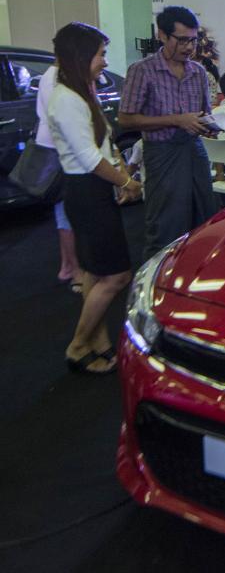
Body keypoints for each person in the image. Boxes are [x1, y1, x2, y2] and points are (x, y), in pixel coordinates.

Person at [47, 22, 142, 374]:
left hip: (91, 190)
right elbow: (88, 157)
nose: (105, 61)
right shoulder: (67, 100)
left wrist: (117, 174)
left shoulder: (79, 92)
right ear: (81, 56)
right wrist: (127, 182)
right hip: (86, 191)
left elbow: (101, 145)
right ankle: (77, 346)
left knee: (94, 273)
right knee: (117, 276)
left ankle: (97, 342)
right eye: (101, 54)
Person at [118, 5, 217, 260]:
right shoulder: (142, 71)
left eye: (193, 41)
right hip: (161, 154)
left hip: (194, 151)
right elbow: (126, 119)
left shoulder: (198, 73)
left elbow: (204, 113)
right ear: (162, 35)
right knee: (165, 225)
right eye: (182, 40)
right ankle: (156, 286)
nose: (188, 47)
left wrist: (209, 125)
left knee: (204, 219)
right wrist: (176, 120)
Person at [35, 62, 84, 293]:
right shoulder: (56, 77)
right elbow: (63, 120)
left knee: (63, 212)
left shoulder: (51, 75)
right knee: (67, 213)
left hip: (57, 149)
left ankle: (68, 266)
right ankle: (75, 270)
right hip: (59, 152)